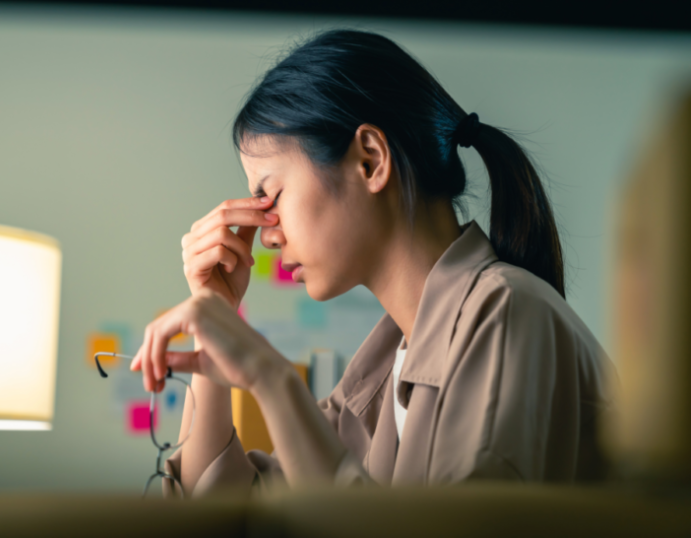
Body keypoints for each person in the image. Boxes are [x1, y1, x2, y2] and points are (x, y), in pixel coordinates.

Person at [129, 29, 615, 497]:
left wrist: (271, 377)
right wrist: (213, 310)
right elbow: (231, 510)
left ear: (370, 160)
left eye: (270, 196)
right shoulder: (379, 373)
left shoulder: (506, 311)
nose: (267, 235)